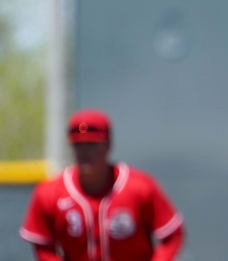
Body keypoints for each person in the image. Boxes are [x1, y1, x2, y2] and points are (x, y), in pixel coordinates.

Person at [19, 109, 184, 261]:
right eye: (78, 145)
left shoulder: (139, 187)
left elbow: (172, 235)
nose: (84, 153)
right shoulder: (49, 192)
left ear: (108, 145)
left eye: (92, 145)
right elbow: (43, 245)